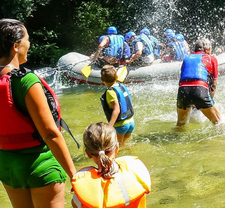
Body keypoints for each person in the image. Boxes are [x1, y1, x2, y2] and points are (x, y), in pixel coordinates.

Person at [0, 18, 76, 208]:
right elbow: (50, 133)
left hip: (8, 166)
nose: (30, 44)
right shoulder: (26, 81)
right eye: (27, 39)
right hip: (41, 165)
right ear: (16, 46)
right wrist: (74, 174)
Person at [72, 122, 151, 208]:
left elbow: (75, 205)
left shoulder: (83, 186)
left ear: (88, 154)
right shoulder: (136, 172)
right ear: (116, 148)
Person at [176, 38, 221, 126]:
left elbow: (182, 80)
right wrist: (207, 101)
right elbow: (213, 84)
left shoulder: (186, 58)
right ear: (206, 49)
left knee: (180, 125)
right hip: (199, 90)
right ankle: (218, 139)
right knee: (219, 123)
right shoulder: (211, 58)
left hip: (182, 92)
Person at [100, 65, 135, 145]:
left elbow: (117, 109)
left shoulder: (110, 92)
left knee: (115, 147)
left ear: (102, 80)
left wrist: (110, 126)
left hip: (121, 125)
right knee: (121, 144)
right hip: (130, 122)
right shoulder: (121, 86)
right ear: (116, 78)